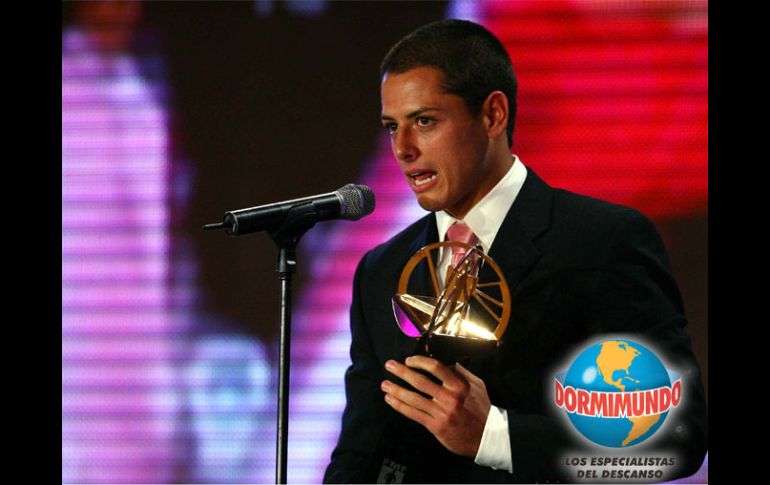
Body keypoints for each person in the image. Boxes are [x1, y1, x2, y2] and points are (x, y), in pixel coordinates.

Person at [324, 19, 707, 484]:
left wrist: (493, 436)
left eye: (425, 121)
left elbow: (676, 439)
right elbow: (360, 453)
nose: (403, 148)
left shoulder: (604, 242)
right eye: (391, 126)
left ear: (493, 116)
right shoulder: (381, 269)